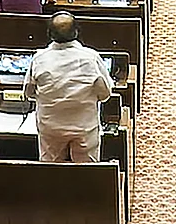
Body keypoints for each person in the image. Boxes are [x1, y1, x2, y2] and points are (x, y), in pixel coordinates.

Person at [24, 11, 113, 162]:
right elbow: (105, 94)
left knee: (51, 170)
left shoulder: (39, 58)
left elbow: (29, 92)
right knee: (87, 172)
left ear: (49, 34)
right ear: (77, 32)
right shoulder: (91, 57)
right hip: (84, 126)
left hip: (50, 127)